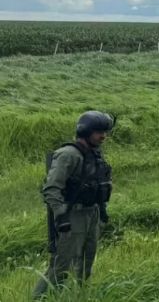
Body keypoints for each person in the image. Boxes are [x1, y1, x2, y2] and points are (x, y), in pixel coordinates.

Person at [33, 111, 114, 299]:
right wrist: (61, 217)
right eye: (98, 132)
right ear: (85, 131)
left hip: (91, 213)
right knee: (60, 267)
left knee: (87, 262)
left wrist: (101, 211)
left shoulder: (94, 153)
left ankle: (80, 296)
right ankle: (40, 298)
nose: (103, 136)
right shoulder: (68, 155)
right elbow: (51, 188)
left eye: (104, 131)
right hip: (73, 216)